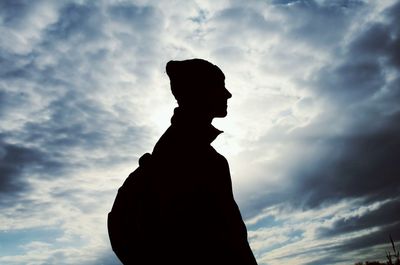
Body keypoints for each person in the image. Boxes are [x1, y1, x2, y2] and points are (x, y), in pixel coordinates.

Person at [142, 58, 258, 265]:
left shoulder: (183, 146)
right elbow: (210, 237)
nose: (228, 94)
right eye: (219, 86)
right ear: (200, 92)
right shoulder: (187, 153)